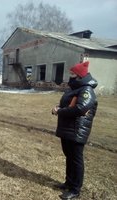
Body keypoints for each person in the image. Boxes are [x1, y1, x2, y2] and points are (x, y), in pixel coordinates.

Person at [51, 61, 98, 199]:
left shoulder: (86, 90)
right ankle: (68, 183)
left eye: (72, 74)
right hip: (68, 129)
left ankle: (75, 190)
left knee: (76, 159)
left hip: (77, 130)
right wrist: (58, 108)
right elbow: (66, 105)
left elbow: (80, 108)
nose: (70, 76)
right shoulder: (73, 89)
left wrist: (60, 111)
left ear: (79, 76)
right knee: (69, 157)